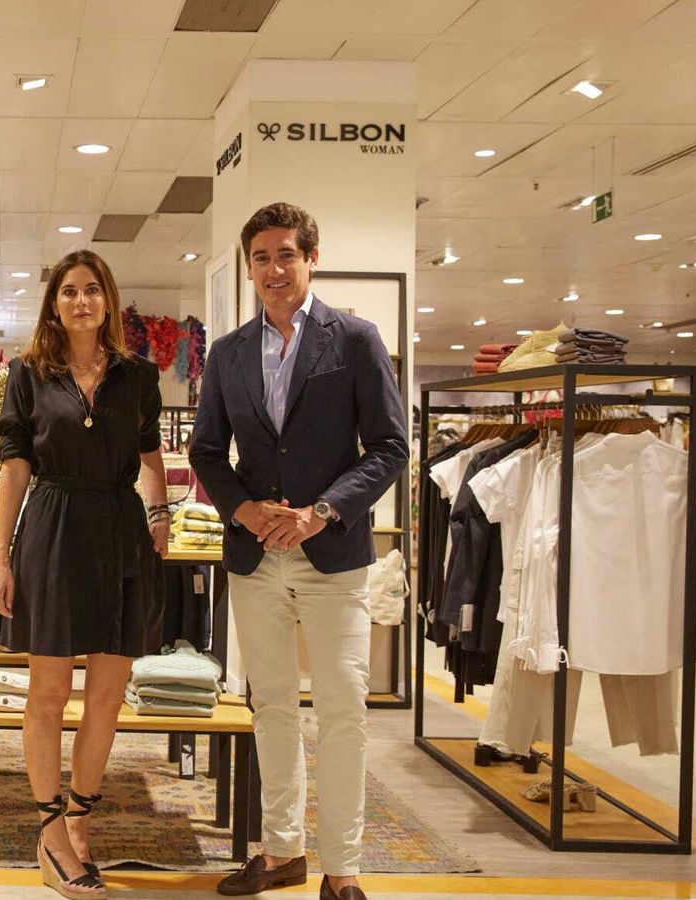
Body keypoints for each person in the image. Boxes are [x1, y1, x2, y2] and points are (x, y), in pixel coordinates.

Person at [189, 203, 407, 900]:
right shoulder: (227, 353)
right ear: (249, 268)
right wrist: (244, 508)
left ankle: (342, 869)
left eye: (287, 254)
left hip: (333, 553)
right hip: (256, 556)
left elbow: (391, 448)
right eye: (261, 258)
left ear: (311, 257)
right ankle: (281, 851)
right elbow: (204, 451)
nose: (274, 270)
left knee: (344, 707)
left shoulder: (356, 340)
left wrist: (323, 510)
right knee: (271, 704)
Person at [0, 249, 169, 899]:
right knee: (49, 692)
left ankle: (79, 817)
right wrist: (0, 557)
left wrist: (162, 513)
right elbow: (14, 471)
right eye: (69, 291)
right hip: (55, 529)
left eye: (93, 289)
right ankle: (50, 833)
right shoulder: (28, 375)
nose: (82, 300)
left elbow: (150, 452)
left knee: (108, 694)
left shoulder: (139, 377)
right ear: (54, 305)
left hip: (120, 534)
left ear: (108, 300)